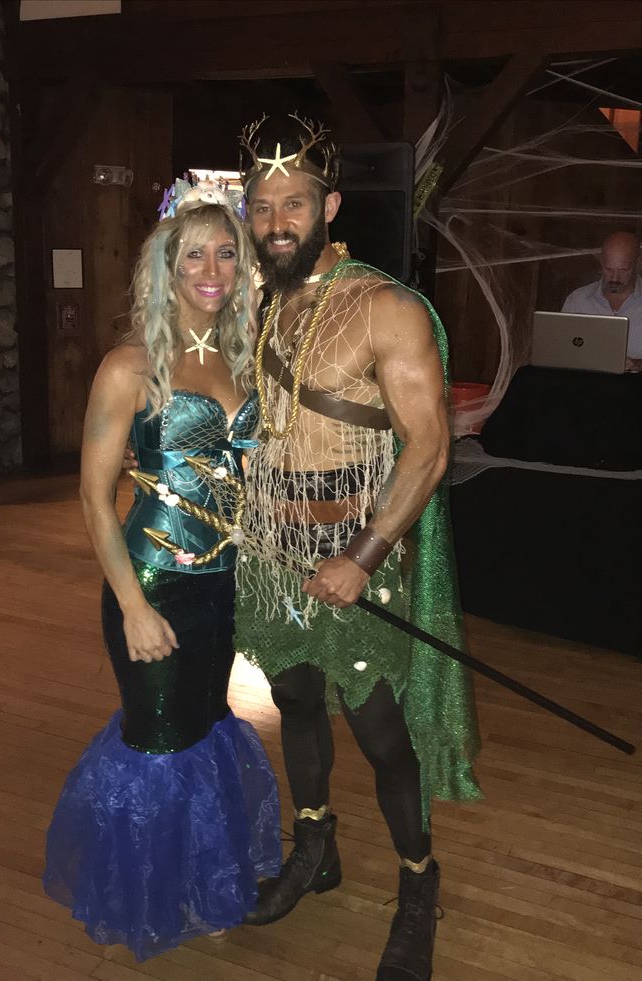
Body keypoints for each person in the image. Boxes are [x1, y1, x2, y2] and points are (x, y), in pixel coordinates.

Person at [233, 114, 482, 981]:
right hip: (270, 548)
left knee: (378, 730)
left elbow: (430, 448)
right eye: (261, 205)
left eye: (293, 203)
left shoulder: (387, 306)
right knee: (295, 701)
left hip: (356, 545)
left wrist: (364, 555)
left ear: (330, 205)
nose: (275, 223)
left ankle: (419, 882)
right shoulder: (259, 303)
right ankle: (316, 848)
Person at [43, 186, 281, 961]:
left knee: (206, 726)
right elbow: (92, 495)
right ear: (167, 270)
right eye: (193, 255)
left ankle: (198, 878)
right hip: (151, 580)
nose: (210, 269)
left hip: (223, 583)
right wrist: (132, 604)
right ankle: (147, 892)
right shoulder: (129, 365)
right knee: (154, 739)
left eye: (224, 252)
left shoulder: (244, 359)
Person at [562, 230, 642, 371]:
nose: (615, 278)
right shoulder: (578, 300)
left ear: (638, 263)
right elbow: (559, 350)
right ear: (601, 261)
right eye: (608, 269)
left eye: (624, 270)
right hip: (586, 385)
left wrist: (637, 365)